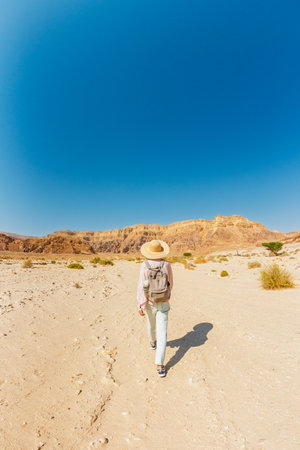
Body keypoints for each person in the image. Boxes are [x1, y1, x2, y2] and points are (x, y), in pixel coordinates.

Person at [137, 239, 173, 377]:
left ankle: (152, 343)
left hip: (149, 301)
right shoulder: (167, 264)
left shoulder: (144, 265)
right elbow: (170, 283)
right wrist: (166, 297)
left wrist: (141, 304)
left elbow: (141, 285)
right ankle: (159, 365)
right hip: (163, 302)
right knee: (162, 332)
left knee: (151, 325)